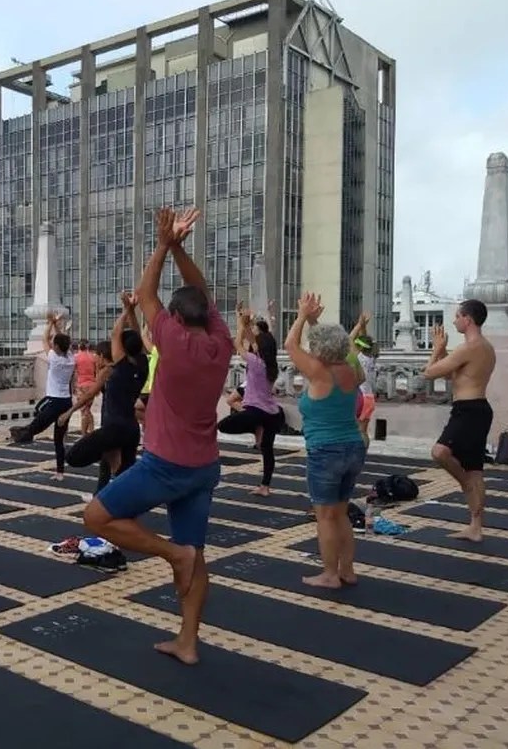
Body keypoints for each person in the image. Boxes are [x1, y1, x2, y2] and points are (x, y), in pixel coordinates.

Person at [83, 206, 232, 666]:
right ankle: (188, 641)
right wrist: (181, 247)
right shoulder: (221, 341)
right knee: (197, 553)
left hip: (166, 465)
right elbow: (202, 293)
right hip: (204, 467)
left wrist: (165, 244)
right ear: (206, 317)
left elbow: (146, 292)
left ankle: (172, 555)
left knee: (96, 517)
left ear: (172, 319)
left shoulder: (174, 339)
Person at [285, 293, 364, 589]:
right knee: (340, 513)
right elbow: (343, 348)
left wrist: (303, 315)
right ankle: (348, 569)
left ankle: (330, 574)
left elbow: (290, 345)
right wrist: (316, 321)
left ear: (319, 350)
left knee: (326, 517)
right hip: (353, 447)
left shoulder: (319, 372)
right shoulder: (352, 370)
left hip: (326, 451)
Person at [57, 292, 149, 493]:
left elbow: (116, 333)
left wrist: (126, 309)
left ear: (123, 350)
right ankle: (117, 496)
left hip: (114, 428)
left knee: (73, 457)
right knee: (122, 472)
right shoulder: (143, 366)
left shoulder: (120, 366)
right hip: (130, 429)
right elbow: (136, 338)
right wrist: (132, 311)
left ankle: (115, 475)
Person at [423, 300, 496, 542]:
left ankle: (465, 484)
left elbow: (429, 373)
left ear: (468, 319)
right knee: (475, 468)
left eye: (457, 316)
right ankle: (476, 527)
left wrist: (436, 348)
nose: (454, 321)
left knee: (440, 452)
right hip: (478, 408)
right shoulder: (484, 347)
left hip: (468, 410)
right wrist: (444, 350)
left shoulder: (470, 347)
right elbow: (455, 376)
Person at [218, 304, 284, 496]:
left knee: (223, 426)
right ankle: (265, 486)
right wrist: (248, 324)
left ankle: (254, 428)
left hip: (256, 411)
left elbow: (237, 345)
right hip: (272, 413)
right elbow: (256, 342)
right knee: (267, 450)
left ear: (259, 348)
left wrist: (240, 324)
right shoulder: (272, 366)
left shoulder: (256, 363)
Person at [8, 313, 75, 479]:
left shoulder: (54, 358)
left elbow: (45, 339)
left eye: (55, 343)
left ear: (57, 347)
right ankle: (60, 472)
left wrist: (50, 323)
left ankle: (19, 435)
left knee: (35, 427)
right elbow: (62, 340)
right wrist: (57, 326)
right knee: (58, 439)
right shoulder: (70, 358)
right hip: (66, 402)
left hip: (54, 402)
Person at [348, 312, 378, 449]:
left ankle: (353, 455)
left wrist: (359, 324)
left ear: (359, 347)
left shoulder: (358, 356)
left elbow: (349, 340)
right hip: (370, 397)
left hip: (360, 397)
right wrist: (363, 327)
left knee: (352, 430)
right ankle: (363, 454)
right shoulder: (371, 357)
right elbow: (363, 339)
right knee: (363, 431)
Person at [74, 340, 99, 435]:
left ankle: (87, 433)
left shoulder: (76, 357)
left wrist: (73, 386)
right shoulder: (93, 357)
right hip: (92, 385)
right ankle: (88, 432)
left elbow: (74, 373)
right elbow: (97, 372)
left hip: (81, 385)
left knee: (84, 410)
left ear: (79, 346)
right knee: (86, 409)